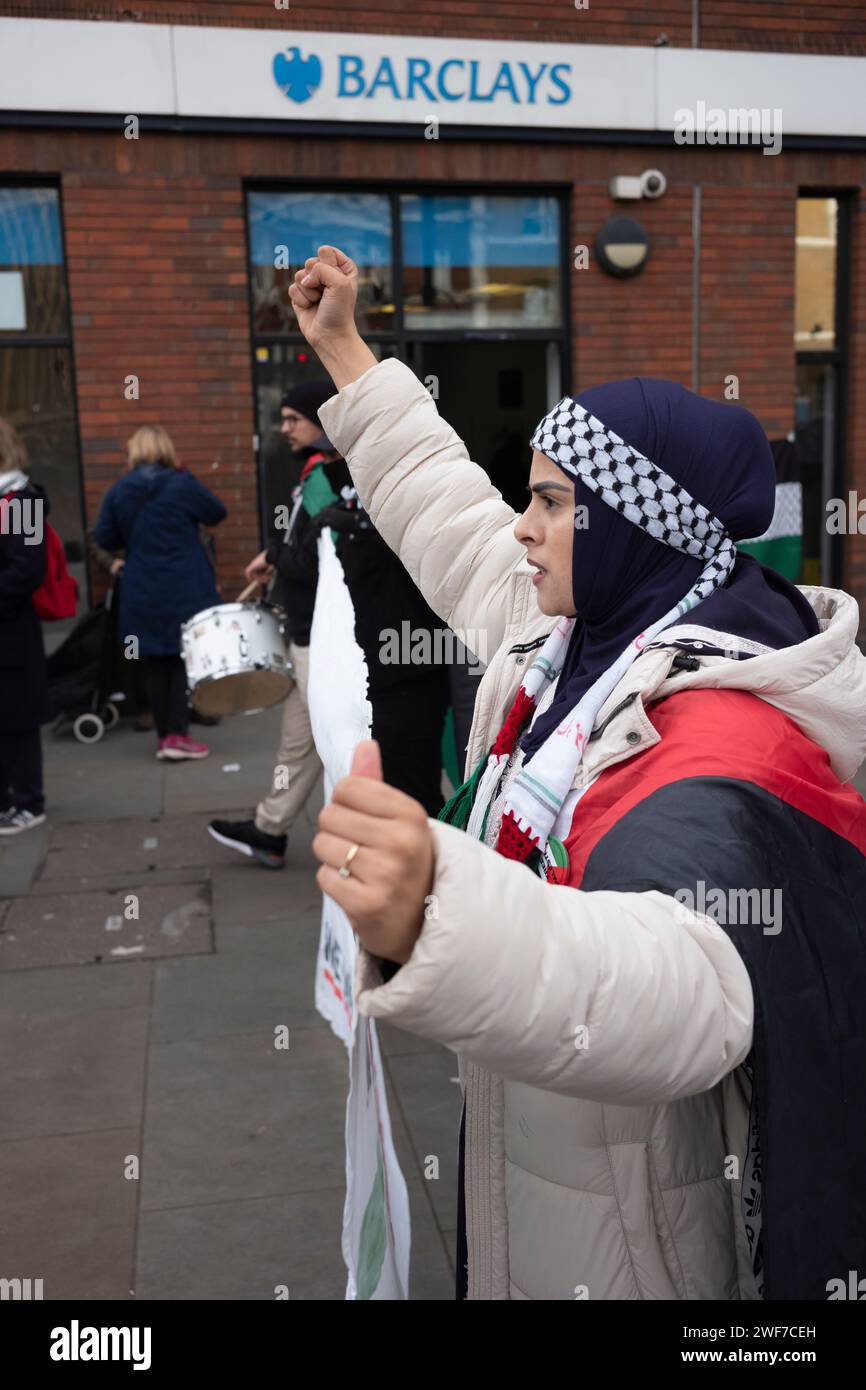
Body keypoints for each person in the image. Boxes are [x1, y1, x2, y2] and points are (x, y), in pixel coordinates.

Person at [297, 246, 866, 1301]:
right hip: (532, 1151)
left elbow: (681, 994)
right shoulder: (566, 636)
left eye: (551, 504)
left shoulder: (729, 732)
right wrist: (342, 351)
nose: (521, 526)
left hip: (637, 1229)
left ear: (633, 530)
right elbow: (446, 510)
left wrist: (435, 912)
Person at [209, 379, 450, 869]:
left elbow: (326, 561)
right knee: (302, 738)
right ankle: (270, 828)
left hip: (334, 639)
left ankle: (426, 838)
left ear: (325, 421)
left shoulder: (337, 480)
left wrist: (279, 555)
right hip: (316, 633)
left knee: (355, 740)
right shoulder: (324, 474)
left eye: (294, 418)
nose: (284, 429)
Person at [91, 425, 226, 761]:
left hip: (143, 588)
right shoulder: (182, 484)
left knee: (155, 662)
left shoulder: (120, 490)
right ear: (167, 450)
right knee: (182, 659)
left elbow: (105, 538)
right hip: (185, 585)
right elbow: (216, 513)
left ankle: (164, 735)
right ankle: (178, 736)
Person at [0, 419, 48, 834]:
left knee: (16, 720)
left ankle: (28, 802)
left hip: (11, 633)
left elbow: (28, 570)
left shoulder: (23, 502)